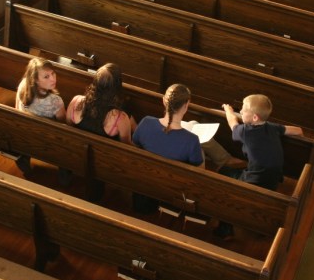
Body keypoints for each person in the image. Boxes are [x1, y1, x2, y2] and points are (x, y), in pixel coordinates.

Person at [217, 94, 303, 238]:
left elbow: (232, 123)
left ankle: (225, 228)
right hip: (273, 180)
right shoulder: (272, 127)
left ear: (255, 117)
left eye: (243, 110)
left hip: (255, 180)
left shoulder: (245, 131)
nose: (241, 112)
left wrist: (228, 110)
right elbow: (298, 131)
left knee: (224, 184)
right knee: (230, 170)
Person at [66, 63, 135, 202]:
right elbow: (126, 146)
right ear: (116, 86)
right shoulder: (119, 117)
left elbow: (68, 127)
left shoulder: (76, 101)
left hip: (76, 153)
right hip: (105, 163)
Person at [131, 83, 203, 212]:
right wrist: (200, 150)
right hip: (171, 192)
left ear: (164, 101)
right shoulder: (192, 141)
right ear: (186, 106)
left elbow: (135, 148)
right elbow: (199, 173)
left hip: (143, 185)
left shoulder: (146, 122)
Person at [13, 57, 66, 178]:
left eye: (53, 73)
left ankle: (24, 160)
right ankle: (64, 170)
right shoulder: (55, 101)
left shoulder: (23, 85)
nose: (53, 79)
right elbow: (64, 125)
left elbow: (16, 109)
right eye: (46, 77)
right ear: (36, 80)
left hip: (25, 133)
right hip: (48, 140)